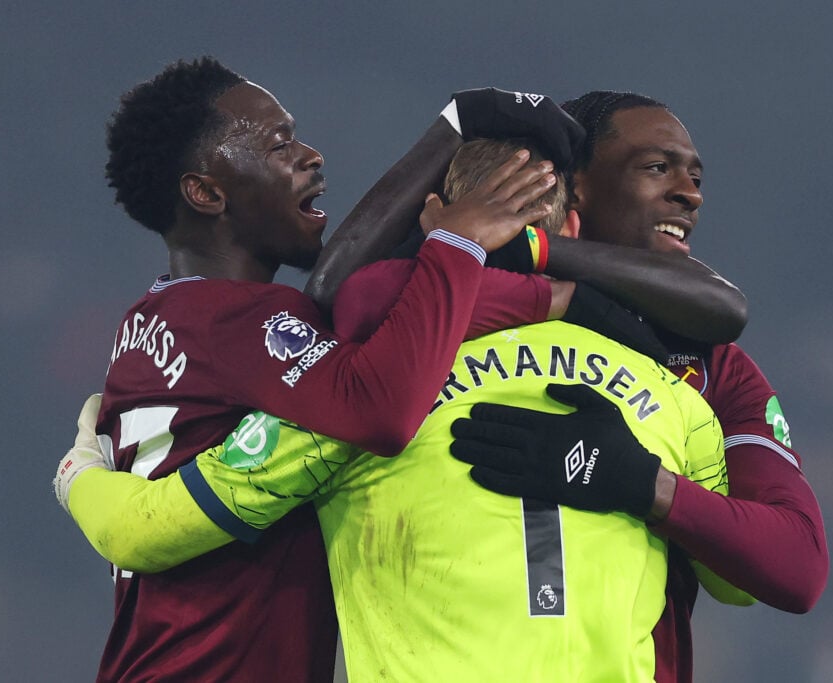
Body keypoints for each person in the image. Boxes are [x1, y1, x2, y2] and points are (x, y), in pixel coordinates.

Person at [58, 137, 754, 682]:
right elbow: (743, 576)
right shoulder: (673, 396)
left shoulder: (364, 392)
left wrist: (78, 472)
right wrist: (644, 486)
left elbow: (145, 529)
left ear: (433, 223)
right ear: (570, 227)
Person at [66, 56, 583, 682]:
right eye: (279, 144)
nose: (311, 156)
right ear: (206, 192)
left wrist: (459, 124)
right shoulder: (240, 319)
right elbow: (380, 407)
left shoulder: (155, 320)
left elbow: (346, 295)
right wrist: (463, 243)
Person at [453, 91, 830, 682]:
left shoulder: (715, 370)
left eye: (695, 178)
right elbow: (348, 293)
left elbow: (798, 566)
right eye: (657, 167)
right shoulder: (451, 305)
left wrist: (640, 483)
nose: (690, 193)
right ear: (572, 185)